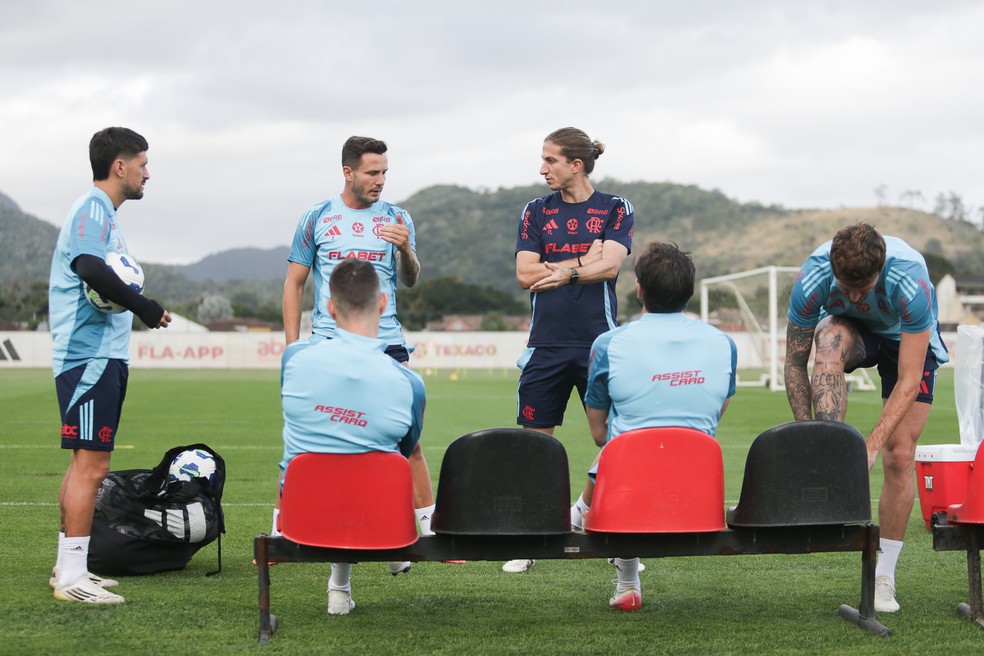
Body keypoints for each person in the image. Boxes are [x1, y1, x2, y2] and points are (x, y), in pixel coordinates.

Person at [280, 135, 437, 570]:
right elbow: (294, 284)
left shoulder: (398, 217)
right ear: (348, 172)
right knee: (325, 443)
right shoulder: (317, 218)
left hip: (386, 344)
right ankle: (286, 527)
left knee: (408, 442)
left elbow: (410, 279)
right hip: (328, 343)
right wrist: (294, 347)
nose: (380, 181)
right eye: (372, 172)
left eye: (385, 172)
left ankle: (430, 530)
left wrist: (405, 248)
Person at [785, 221, 948, 613]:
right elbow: (794, 361)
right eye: (847, 288)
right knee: (828, 342)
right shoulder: (814, 278)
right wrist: (805, 433)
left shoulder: (911, 282)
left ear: (882, 268)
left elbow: (910, 379)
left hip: (904, 340)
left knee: (899, 455)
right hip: (854, 332)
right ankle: (828, 462)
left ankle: (884, 578)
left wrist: (871, 446)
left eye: (865, 287)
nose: (856, 295)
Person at [47, 127, 171, 604]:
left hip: (102, 357)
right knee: (93, 467)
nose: (147, 172)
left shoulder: (107, 215)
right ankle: (75, 578)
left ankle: (68, 567)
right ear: (119, 166)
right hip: (89, 358)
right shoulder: (92, 208)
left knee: (85, 463)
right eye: (142, 162)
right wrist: (143, 305)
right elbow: (88, 268)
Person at [506, 127, 634, 573]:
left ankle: (612, 531)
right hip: (545, 344)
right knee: (536, 445)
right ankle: (533, 537)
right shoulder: (535, 211)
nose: (543, 168)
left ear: (575, 165)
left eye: (551, 160)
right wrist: (581, 263)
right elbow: (525, 274)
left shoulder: (615, 207)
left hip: (601, 343)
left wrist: (565, 273)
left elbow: (613, 264)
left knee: (614, 440)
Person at [583, 242, 736, 610]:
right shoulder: (724, 343)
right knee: (643, 446)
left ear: (639, 290)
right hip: (699, 492)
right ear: (689, 291)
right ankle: (624, 576)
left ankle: (627, 580)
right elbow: (714, 415)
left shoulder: (609, 343)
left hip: (627, 492)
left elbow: (598, 431)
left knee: (620, 449)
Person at [279, 258, 426, 615]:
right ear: (381, 303)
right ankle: (377, 565)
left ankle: (339, 588)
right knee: (380, 463)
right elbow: (404, 450)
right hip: (381, 516)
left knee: (331, 459)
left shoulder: (293, 359)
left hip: (302, 516)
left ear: (329, 307)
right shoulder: (409, 383)